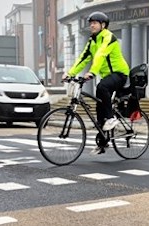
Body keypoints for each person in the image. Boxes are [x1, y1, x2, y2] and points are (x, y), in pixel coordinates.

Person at [63, 11, 130, 155]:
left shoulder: (108, 37)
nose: (91, 25)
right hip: (107, 76)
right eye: (90, 23)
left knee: (101, 87)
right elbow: (83, 58)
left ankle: (111, 118)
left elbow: (101, 54)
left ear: (103, 25)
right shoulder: (91, 40)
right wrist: (70, 73)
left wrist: (92, 72)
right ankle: (102, 143)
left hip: (119, 74)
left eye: (94, 23)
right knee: (99, 108)